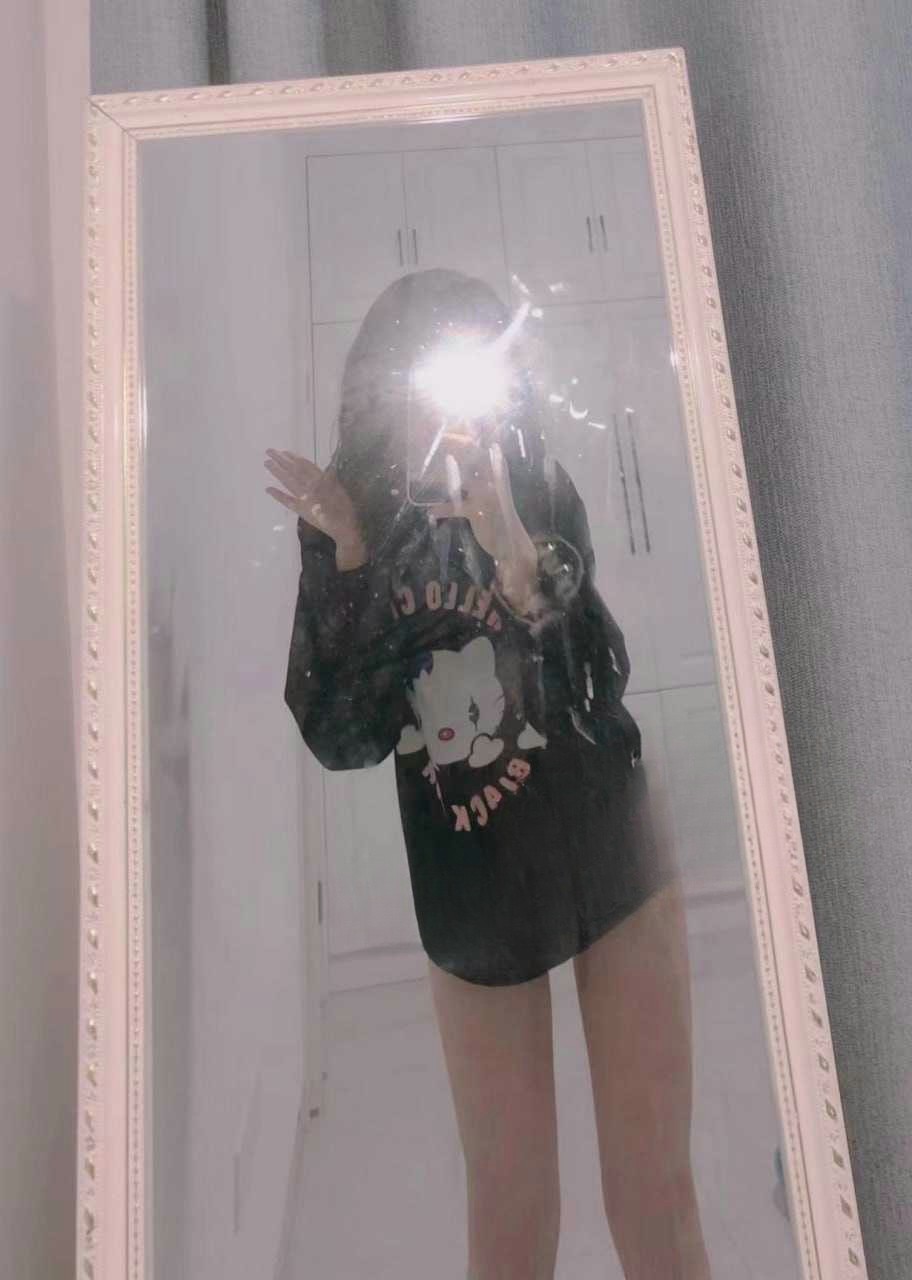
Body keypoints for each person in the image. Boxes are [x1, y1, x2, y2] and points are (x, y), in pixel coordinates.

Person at [264, 267, 711, 1279]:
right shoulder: (346, 519)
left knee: (655, 1195)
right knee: (510, 1225)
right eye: (418, 375)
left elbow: (595, 680)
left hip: (609, 842)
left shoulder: (532, 481)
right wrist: (347, 563)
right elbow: (344, 739)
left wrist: (513, 551)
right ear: (380, 388)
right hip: (471, 889)